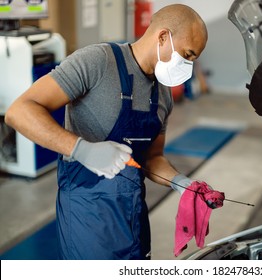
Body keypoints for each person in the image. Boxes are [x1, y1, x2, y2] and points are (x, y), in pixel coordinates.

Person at [5, 4, 219, 260]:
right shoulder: (97, 61)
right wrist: (81, 149)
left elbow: (152, 158)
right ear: (163, 36)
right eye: (187, 54)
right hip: (87, 212)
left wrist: (181, 183)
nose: (187, 66)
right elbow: (19, 111)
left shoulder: (162, 93)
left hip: (133, 214)